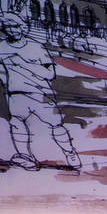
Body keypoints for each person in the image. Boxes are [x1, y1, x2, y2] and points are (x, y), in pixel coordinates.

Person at [0, 13, 80, 170]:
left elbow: (49, 74)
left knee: (55, 124)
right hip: (15, 94)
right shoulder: (2, 47)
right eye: (8, 27)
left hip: (40, 93)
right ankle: (25, 157)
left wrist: (22, 64)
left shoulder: (36, 47)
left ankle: (70, 153)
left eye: (15, 26)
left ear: (22, 27)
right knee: (17, 123)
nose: (12, 30)